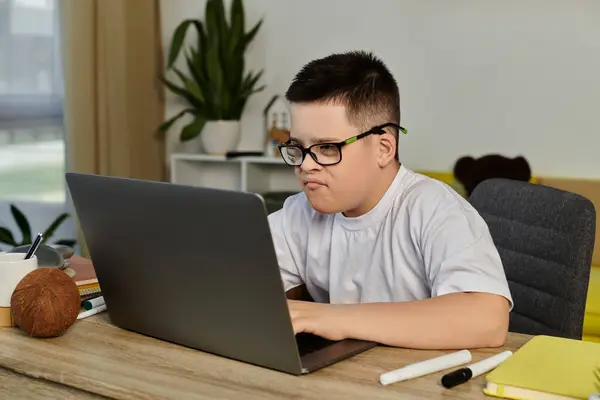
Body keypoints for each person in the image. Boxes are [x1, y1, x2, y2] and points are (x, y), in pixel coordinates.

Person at [267, 50, 513, 350]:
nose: (306, 165)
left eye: (327, 147)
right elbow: (243, 278)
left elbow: (487, 319)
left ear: (384, 148)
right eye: (297, 147)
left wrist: (331, 317)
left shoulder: (434, 209)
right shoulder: (299, 212)